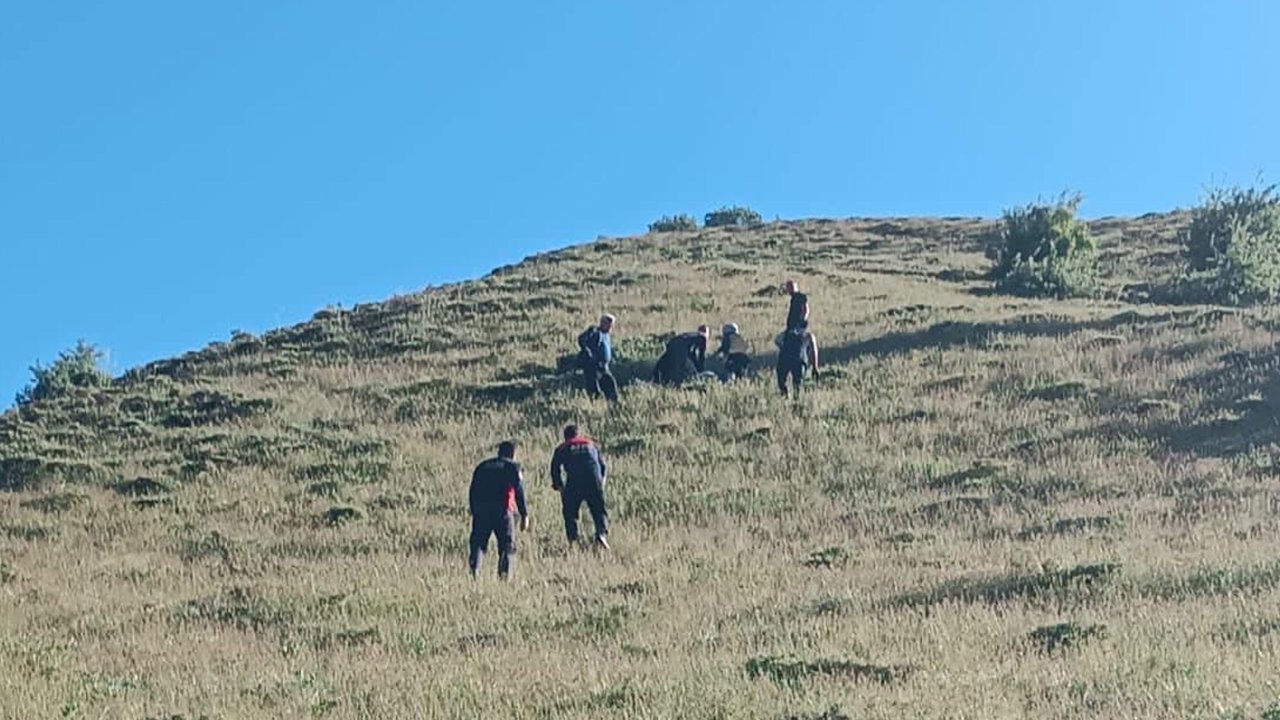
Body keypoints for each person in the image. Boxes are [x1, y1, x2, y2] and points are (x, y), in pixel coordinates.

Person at [468, 440, 530, 580]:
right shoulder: (512, 467)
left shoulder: (482, 466)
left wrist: (474, 510)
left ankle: (474, 573)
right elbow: (519, 491)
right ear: (513, 454)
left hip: (481, 510)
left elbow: (472, 491)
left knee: (478, 544)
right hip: (503, 511)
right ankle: (504, 577)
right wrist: (524, 514)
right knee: (507, 546)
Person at [550, 424, 609, 549]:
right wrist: (601, 482)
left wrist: (559, 486)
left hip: (575, 481)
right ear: (578, 435)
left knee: (570, 512)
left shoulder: (563, 447)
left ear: (565, 437)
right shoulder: (591, 444)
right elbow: (603, 466)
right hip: (593, 479)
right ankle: (601, 534)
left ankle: (574, 540)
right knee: (599, 510)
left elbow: (554, 468)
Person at [577, 314, 618, 402]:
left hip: (604, 367)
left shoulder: (606, 335)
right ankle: (595, 407)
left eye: (612, 325)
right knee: (594, 391)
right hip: (594, 367)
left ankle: (613, 408)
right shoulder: (594, 331)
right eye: (609, 324)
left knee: (611, 387)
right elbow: (581, 339)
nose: (611, 327)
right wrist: (588, 353)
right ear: (603, 323)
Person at [775, 320, 820, 396]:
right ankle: (796, 402)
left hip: (785, 358)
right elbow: (814, 351)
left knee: (782, 381)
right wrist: (815, 367)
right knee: (797, 385)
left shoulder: (788, 333)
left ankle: (785, 395)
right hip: (800, 360)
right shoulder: (809, 335)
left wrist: (784, 348)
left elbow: (777, 340)